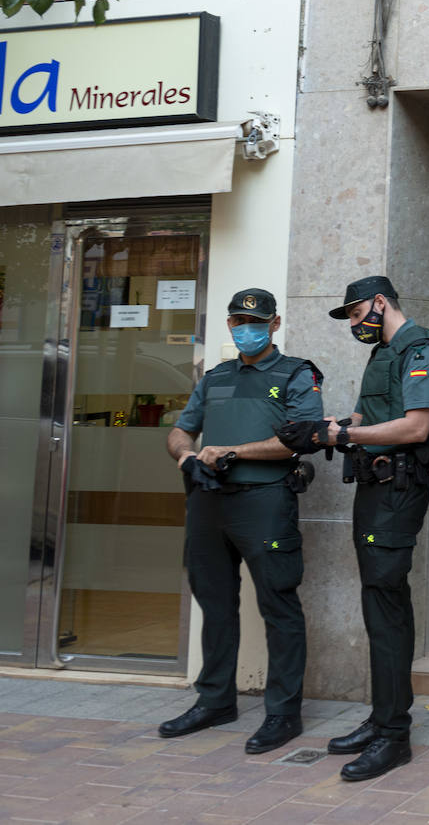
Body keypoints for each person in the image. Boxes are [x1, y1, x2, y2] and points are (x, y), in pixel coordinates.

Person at [159, 288, 323, 755]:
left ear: (273, 324)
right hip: (209, 502)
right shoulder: (216, 377)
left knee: (279, 606)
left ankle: (283, 714)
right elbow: (180, 429)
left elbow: (303, 438)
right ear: (229, 325)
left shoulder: (296, 374)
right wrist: (186, 456)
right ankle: (214, 702)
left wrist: (233, 452)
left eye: (254, 321)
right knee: (215, 605)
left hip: (265, 502)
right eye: (236, 321)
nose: (244, 329)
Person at [318, 276, 429, 781]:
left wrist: (346, 433)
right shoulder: (384, 354)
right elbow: (364, 415)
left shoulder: (422, 350)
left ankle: (395, 737)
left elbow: (416, 426)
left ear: (380, 303)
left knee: (387, 602)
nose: (355, 324)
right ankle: (381, 719)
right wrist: (324, 430)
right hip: (374, 490)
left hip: (397, 493)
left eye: (356, 314)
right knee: (377, 602)